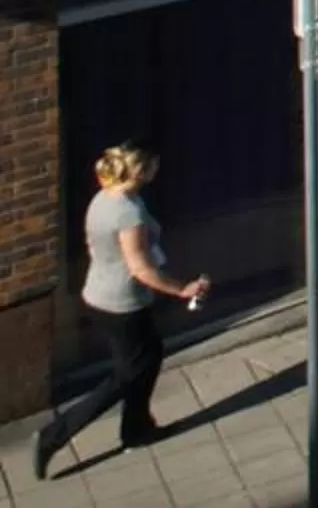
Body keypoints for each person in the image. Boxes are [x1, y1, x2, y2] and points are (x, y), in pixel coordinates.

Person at [31, 144, 208, 479]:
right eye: (154, 163)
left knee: (148, 356)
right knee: (127, 374)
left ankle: (137, 428)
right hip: (121, 304)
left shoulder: (107, 197)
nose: (159, 167)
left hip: (102, 294)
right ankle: (53, 436)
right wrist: (181, 289)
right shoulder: (128, 213)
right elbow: (141, 268)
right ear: (141, 171)